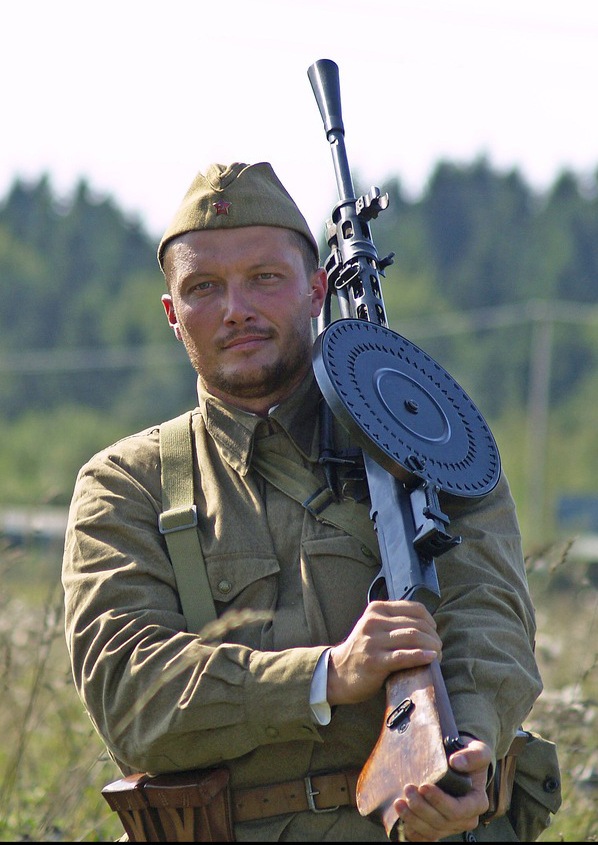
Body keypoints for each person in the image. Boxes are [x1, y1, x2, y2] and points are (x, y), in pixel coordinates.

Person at [62, 162, 546, 842]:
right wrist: (325, 675)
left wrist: (465, 748)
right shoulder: (126, 485)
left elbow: (488, 615)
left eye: (265, 277)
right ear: (172, 315)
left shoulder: (430, 435)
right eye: (204, 287)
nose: (236, 308)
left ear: (317, 289)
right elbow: (132, 698)